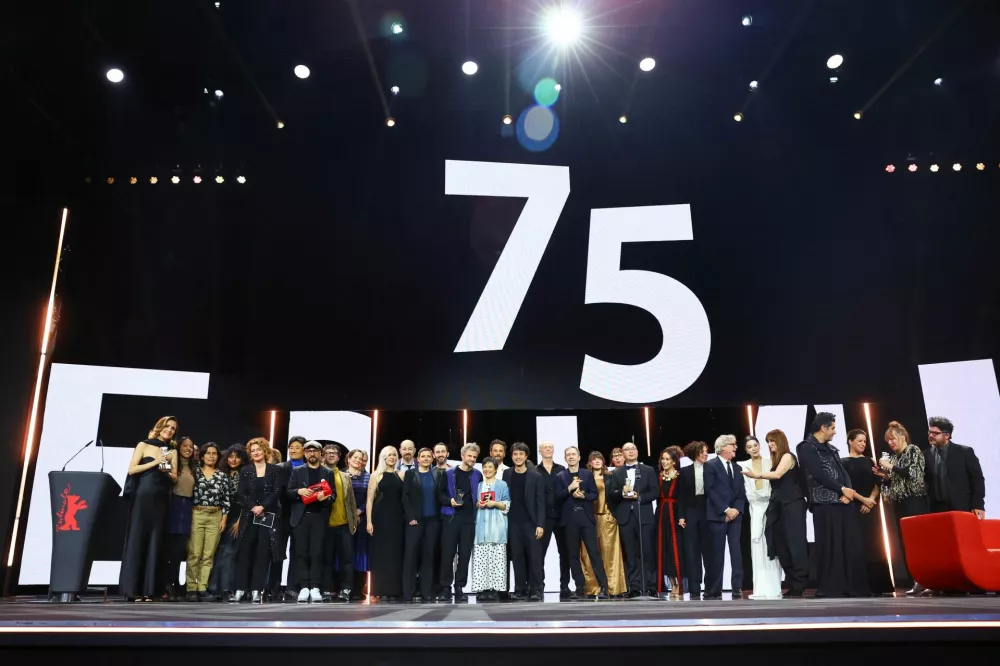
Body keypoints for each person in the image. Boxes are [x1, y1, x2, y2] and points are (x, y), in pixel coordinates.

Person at [797, 412, 869, 598]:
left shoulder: (832, 449)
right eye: (833, 428)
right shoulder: (806, 447)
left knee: (848, 545)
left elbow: (843, 473)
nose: (835, 432)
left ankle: (850, 586)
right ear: (823, 428)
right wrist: (841, 489)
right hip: (824, 503)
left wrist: (848, 492)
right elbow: (818, 474)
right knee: (830, 546)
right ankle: (831, 587)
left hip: (843, 502)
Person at [744, 429, 809, 597]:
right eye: (768, 442)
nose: (770, 444)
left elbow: (778, 475)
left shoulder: (788, 456)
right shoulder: (775, 459)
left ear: (780, 441)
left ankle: (799, 583)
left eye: (772, 441)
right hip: (778, 505)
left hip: (792, 503)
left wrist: (756, 475)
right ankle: (792, 580)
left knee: (795, 543)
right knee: (780, 544)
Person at [120, 416, 178, 601]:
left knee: (155, 542)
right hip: (143, 496)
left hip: (161, 498)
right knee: (138, 539)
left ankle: (149, 590)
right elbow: (132, 469)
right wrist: (155, 462)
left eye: (173, 428)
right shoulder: (143, 445)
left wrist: (166, 470)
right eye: (168, 426)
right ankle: (132, 590)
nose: (170, 430)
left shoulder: (171, 450)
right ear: (160, 427)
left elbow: (175, 477)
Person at [873, 421, 928, 595]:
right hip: (901, 504)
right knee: (905, 544)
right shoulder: (895, 457)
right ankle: (915, 580)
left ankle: (926, 579)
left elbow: (914, 474)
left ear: (902, 437)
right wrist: (885, 477)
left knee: (919, 541)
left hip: (915, 502)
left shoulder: (913, 450)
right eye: (888, 440)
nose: (890, 443)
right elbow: (896, 478)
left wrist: (891, 467)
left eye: (893, 439)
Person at [840, 429, 893, 595]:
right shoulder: (842, 462)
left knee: (873, 545)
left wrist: (870, 500)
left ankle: (878, 585)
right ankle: (857, 585)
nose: (863, 444)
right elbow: (845, 487)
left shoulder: (870, 461)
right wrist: (862, 500)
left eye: (865, 441)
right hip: (852, 508)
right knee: (856, 547)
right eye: (860, 441)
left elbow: (877, 483)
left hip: (870, 508)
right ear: (850, 441)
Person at [234, 438, 284, 604]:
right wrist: (253, 507)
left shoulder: (275, 470)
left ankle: (256, 590)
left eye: (258, 449)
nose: (255, 452)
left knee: (263, 554)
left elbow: (277, 491)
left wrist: (262, 506)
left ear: (265, 451)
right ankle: (241, 589)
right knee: (245, 552)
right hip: (249, 516)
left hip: (268, 517)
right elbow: (241, 493)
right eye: (252, 450)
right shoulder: (246, 470)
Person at [556, 447, 610, 600]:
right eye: (568, 455)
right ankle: (580, 588)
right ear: (565, 458)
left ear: (579, 457)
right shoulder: (560, 476)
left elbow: (594, 494)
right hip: (569, 521)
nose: (571, 457)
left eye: (574, 454)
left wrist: (583, 495)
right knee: (573, 555)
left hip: (586, 519)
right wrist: (569, 489)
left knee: (594, 553)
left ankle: (604, 587)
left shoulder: (587, 474)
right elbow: (557, 496)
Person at [607, 442, 657, 598]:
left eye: (633, 449)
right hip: (625, 517)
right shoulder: (617, 472)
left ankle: (650, 586)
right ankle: (634, 587)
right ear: (622, 453)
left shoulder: (648, 470)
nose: (631, 451)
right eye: (627, 449)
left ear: (637, 452)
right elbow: (611, 495)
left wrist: (639, 497)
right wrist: (621, 494)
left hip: (644, 516)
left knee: (647, 551)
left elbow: (655, 491)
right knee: (630, 553)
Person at [287, 440, 336, 603]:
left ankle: (315, 587)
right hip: (301, 517)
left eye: (315, 451)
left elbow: (333, 495)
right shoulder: (298, 471)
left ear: (320, 453)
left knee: (317, 552)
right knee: (301, 552)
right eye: (308, 451)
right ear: (305, 453)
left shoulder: (328, 472)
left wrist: (326, 497)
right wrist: (298, 491)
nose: (312, 454)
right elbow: (288, 492)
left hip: (319, 518)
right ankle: (304, 587)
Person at [186, 442, 233, 602]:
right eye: (208, 453)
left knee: (208, 555)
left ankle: (202, 587)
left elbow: (226, 500)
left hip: (216, 515)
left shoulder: (222, 476)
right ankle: (191, 588)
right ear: (202, 455)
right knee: (194, 553)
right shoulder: (194, 473)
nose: (211, 456)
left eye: (214, 453)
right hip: (196, 514)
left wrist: (224, 519)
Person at [437, 443, 482, 602]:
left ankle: (459, 587)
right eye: (469, 456)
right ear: (462, 456)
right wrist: (449, 501)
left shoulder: (478, 474)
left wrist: (479, 503)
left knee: (464, 555)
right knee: (447, 554)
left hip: (469, 520)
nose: (472, 459)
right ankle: (445, 587)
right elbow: (440, 494)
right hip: (451, 519)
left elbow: (481, 494)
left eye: (474, 457)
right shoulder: (449, 473)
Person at [737, 437, 781, 600]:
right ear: (746, 450)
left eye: (755, 445)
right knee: (757, 545)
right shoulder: (742, 465)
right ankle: (761, 588)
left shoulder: (771, 462)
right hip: (755, 508)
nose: (753, 448)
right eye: (749, 446)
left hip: (771, 507)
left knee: (771, 546)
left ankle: (774, 587)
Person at [502, 442, 546, 601]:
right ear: (512, 456)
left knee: (534, 557)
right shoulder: (507, 474)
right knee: (517, 556)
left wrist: (540, 524)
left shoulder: (536, 476)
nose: (518, 457)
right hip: (512, 522)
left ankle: (536, 589)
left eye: (521, 454)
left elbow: (541, 502)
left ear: (526, 456)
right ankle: (520, 589)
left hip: (531, 522)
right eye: (515, 454)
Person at [704, 434, 745, 600]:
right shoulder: (710, 466)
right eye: (732, 445)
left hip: (735, 516)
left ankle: (737, 587)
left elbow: (741, 493)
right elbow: (710, 490)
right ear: (722, 448)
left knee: (736, 552)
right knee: (716, 553)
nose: (735, 447)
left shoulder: (736, 468)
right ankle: (714, 589)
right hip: (717, 516)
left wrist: (735, 510)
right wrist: (725, 510)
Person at [580, 451, 627, 598]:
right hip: (589, 517)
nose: (597, 461)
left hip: (607, 516)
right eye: (594, 459)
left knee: (610, 553)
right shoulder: (584, 477)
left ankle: (613, 587)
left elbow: (615, 495)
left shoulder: (610, 476)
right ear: (590, 462)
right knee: (588, 554)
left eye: (599, 458)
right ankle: (593, 588)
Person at [401, 448, 443, 602]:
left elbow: (441, 495)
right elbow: (405, 497)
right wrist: (411, 517)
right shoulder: (410, 474)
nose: (425, 459)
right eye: (422, 456)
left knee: (429, 557)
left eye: (428, 456)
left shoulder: (438, 474)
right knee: (410, 557)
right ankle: (408, 593)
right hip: (414, 521)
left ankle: (427, 592)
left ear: (432, 459)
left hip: (432, 522)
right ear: (417, 459)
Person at [924, 416, 985, 518]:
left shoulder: (964, 452)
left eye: (935, 433)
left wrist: (978, 504)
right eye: (930, 432)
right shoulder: (926, 455)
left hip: (961, 506)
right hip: (936, 509)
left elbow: (977, 479)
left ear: (947, 435)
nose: (931, 435)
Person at [208, 444, 247, 600]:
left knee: (230, 552)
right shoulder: (221, 472)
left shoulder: (246, 473)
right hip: (220, 515)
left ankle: (226, 588)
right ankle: (213, 587)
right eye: (231, 456)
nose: (233, 459)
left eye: (237, 456)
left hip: (238, 516)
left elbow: (247, 500)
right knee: (218, 552)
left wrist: (239, 520)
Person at [367, 446, 405, 602]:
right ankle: (380, 590)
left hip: (397, 519)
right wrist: (369, 521)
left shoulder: (401, 475)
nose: (392, 457)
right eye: (389, 455)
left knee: (395, 554)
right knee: (381, 555)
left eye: (394, 455)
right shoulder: (376, 475)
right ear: (383, 457)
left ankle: (395, 590)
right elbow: (369, 500)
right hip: (380, 518)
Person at [271, 436, 306, 601]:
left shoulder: (309, 468)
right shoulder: (280, 468)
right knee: (277, 552)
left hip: (301, 515)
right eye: (291, 447)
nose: (293, 450)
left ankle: (293, 588)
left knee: (297, 553)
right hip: (281, 515)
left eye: (297, 447)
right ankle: (274, 587)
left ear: (304, 450)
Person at [471, 457, 510, 601]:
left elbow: (507, 504)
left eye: (490, 467)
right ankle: (482, 589)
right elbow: (475, 503)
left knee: (497, 560)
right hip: (481, 527)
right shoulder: (479, 485)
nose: (487, 469)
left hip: (497, 527)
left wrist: (494, 503)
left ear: (495, 469)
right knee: (481, 559)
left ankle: (495, 590)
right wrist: (478, 504)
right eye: (485, 467)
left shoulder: (502, 484)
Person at [162, 435, 196, 600]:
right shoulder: (173, 464)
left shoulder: (194, 467)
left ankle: (177, 583)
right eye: (185, 446)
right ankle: (167, 584)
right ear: (178, 447)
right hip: (173, 506)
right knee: (170, 550)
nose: (188, 449)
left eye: (191, 446)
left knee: (181, 550)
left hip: (188, 508)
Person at [322, 445, 358, 602]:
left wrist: (353, 521)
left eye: (334, 453)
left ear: (339, 457)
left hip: (344, 524)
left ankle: (346, 589)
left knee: (347, 561)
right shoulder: (319, 474)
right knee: (326, 560)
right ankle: (326, 590)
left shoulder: (345, 476)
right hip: (325, 525)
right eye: (328, 453)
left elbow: (351, 501)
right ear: (323, 456)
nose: (331, 455)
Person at [536, 440, 570, 598]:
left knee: (565, 553)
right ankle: (539, 585)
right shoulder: (535, 470)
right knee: (539, 553)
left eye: (550, 447)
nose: (548, 449)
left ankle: (565, 586)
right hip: (544, 518)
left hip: (562, 515)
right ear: (540, 451)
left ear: (553, 450)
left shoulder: (562, 469)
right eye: (545, 447)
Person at [654, 446, 686, 600]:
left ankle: (679, 584)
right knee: (664, 549)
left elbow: (682, 499)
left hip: (674, 513)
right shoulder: (659, 476)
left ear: (674, 461)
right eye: (663, 459)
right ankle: (671, 584)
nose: (665, 461)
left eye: (668, 459)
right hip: (661, 514)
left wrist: (681, 516)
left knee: (675, 550)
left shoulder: (679, 476)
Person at [678, 441, 709, 599]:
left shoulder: (712, 468)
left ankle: (710, 587)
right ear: (694, 453)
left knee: (709, 551)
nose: (705, 454)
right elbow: (681, 496)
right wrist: (681, 515)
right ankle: (695, 588)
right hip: (690, 512)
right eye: (702, 451)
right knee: (692, 551)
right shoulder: (684, 471)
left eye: (706, 451)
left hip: (708, 511)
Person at [346, 449, 370, 600]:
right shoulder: (340, 475)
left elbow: (371, 499)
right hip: (343, 520)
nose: (358, 461)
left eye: (361, 459)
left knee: (360, 554)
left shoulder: (369, 477)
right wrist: (349, 515)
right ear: (348, 459)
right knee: (345, 554)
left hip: (362, 520)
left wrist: (358, 512)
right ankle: (343, 587)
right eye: (355, 457)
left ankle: (357, 589)